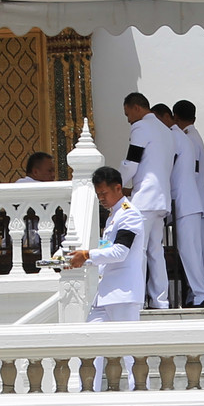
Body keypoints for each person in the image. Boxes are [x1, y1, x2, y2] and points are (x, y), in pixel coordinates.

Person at [67, 165, 146, 390]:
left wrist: (87, 255)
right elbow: (107, 252)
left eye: (104, 193)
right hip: (106, 293)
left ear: (118, 188)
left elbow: (120, 252)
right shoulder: (114, 215)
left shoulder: (129, 214)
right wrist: (81, 259)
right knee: (91, 343)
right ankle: (88, 391)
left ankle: (141, 391)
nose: (101, 198)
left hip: (123, 293)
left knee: (130, 350)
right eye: (98, 194)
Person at [118, 91, 174, 309]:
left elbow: (132, 162)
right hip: (161, 199)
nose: (128, 120)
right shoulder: (166, 130)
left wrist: (116, 184)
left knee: (137, 251)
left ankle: (137, 299)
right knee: (156, 251)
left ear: (136, 108)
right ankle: (160, 300)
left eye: (127, 114)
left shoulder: (141, 127)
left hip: (145, 197)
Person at [173, 100, 204, 307]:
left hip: (196, 206)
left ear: (175, 117)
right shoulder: (193, 136)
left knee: (200, 258)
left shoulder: (189, 139)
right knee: (200, 257)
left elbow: (190, 173)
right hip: (199, 205)